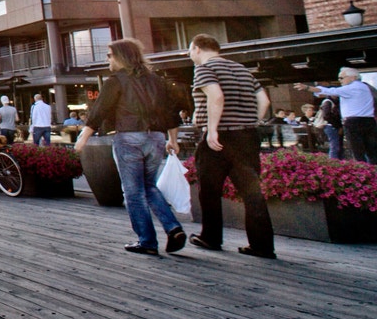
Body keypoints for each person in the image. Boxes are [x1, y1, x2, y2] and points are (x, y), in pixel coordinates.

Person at [75, 38, 185, 258]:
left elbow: (100, 110)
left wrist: (83, 137)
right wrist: (173, 139)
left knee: (133, 191)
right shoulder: (156, 80)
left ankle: (147, 241)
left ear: (121, 57)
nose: (107, 59)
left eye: (109, 55)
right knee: (148, 185)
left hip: (128, 138)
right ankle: (173, 227)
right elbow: (170, 112)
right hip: (155, 137)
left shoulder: (116, 80)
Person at [189, 34, 273, 259]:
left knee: (209, 190)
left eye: (190, 50)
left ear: (197, 48)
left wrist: (212, 129)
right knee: (252, 192)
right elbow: (264, 101)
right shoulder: (243, 70)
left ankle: (211, 237)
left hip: (218, 138)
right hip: (246, 136)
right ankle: (262, 245)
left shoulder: (204, 69)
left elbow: (216, 97)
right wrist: (250, 122)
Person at [299, 67, 377, 165]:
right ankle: (376, 173)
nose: (339, 80)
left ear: (353, 77)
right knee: (371, 150)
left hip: (354, 122)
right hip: (369, 121)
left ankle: (363, 173)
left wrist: (307, 88)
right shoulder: (364, 87)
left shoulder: (351, 88)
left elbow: (330, 91)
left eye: (342, 78)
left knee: (357, 152)